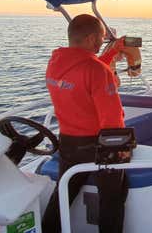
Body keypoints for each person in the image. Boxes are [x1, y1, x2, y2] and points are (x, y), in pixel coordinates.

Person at [42, 14, 129, 233]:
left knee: (63, 194)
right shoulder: (97, 71)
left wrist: (109, 54)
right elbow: (111, 120)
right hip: (97, 145)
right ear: (91, 38)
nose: (102, 42)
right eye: (101, 37)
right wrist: (120, 151)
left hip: (69, 144)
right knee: (113, 197)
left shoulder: (55, 63)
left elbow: (83, 72)